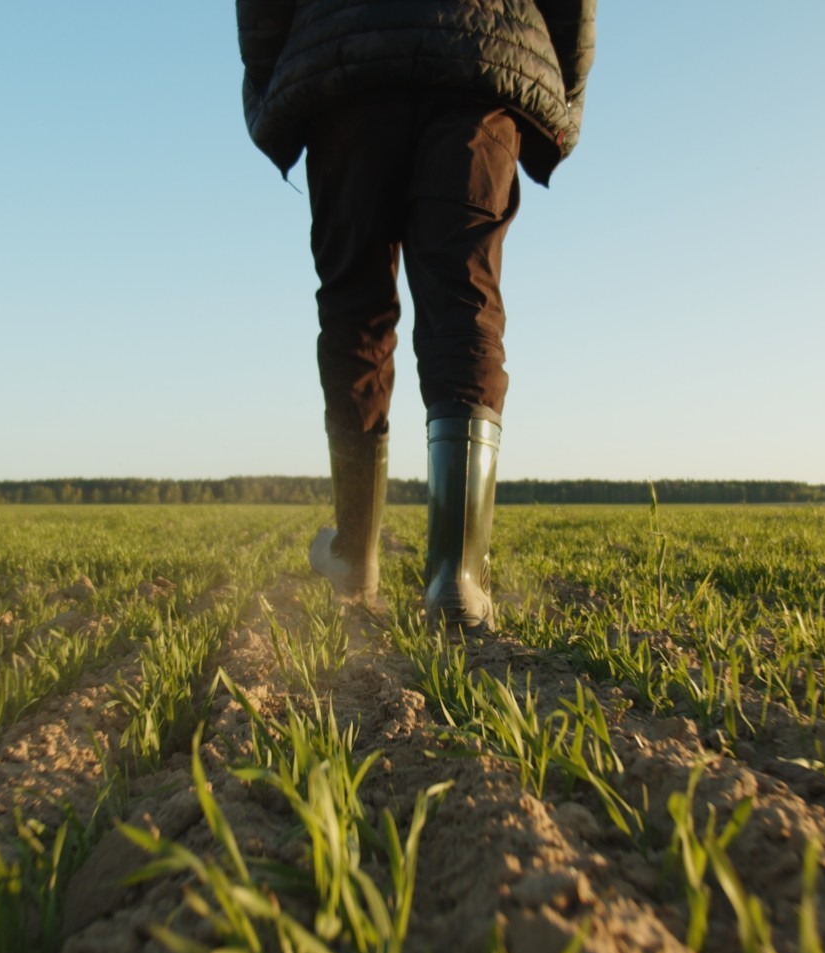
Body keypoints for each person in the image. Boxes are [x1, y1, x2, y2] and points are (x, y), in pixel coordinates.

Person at [236, 0, 595, 633]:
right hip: (481, 65)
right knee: (466, 304)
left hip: (347, 59)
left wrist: (273, 85)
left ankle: (354, 560)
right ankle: (453, 580)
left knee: (356, 312)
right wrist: (559, 91)